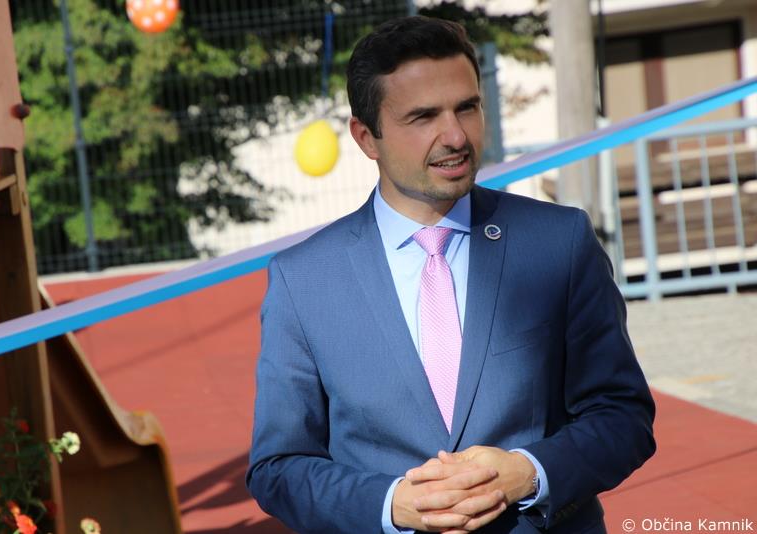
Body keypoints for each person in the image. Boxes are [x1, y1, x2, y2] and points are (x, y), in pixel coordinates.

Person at [247, 15, 655, 534]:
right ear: (367, 137)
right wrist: (390, 505)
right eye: (423, 116)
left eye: (467, 107)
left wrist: (529, 473)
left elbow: (623, 417)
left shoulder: (559, 243)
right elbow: (278, 468)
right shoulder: (302, 281)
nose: (456, 135)